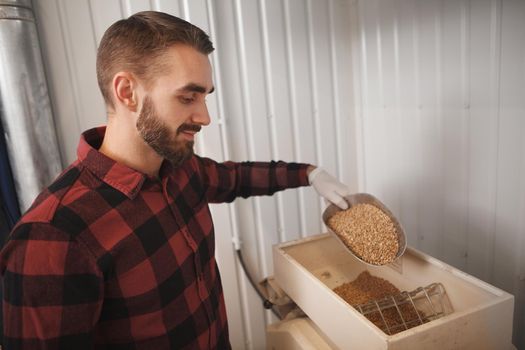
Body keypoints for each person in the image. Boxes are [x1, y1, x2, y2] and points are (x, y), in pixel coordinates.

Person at [0, 11, 350, 350]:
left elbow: (234, 177)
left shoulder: (179, 169)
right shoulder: (54, 236)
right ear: (127, 92)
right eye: (187, 97)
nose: (205, 117)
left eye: (204, 97)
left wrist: (309, 173)